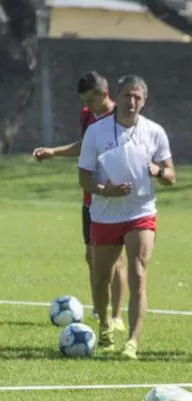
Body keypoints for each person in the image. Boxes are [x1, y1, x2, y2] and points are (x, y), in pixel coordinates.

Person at [77, 75, 175, 360]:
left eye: (137, 97)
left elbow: (171, 175)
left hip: (140, 212)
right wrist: (104, 190)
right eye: (127, 96)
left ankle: (132, 340)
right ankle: (106, 327)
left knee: (138, 274)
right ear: (116, 97)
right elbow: (83, 177)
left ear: (144, 101)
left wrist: (157, 171)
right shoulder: (96, 132)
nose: (131, 102)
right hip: (105, 214)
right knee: (100, 279)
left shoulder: (154, 132)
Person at [33, 71, 128, 333]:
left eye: (90, 99)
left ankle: (117, 315)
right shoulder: (88, 115)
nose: (87, 105)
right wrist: (53, 152)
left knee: (116, 259)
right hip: (91, 197)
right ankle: (100, 310)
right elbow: (84, 146)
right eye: (83, 100)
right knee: (92, 256)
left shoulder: (122, 116)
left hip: (116, 198)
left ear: (104, 93)